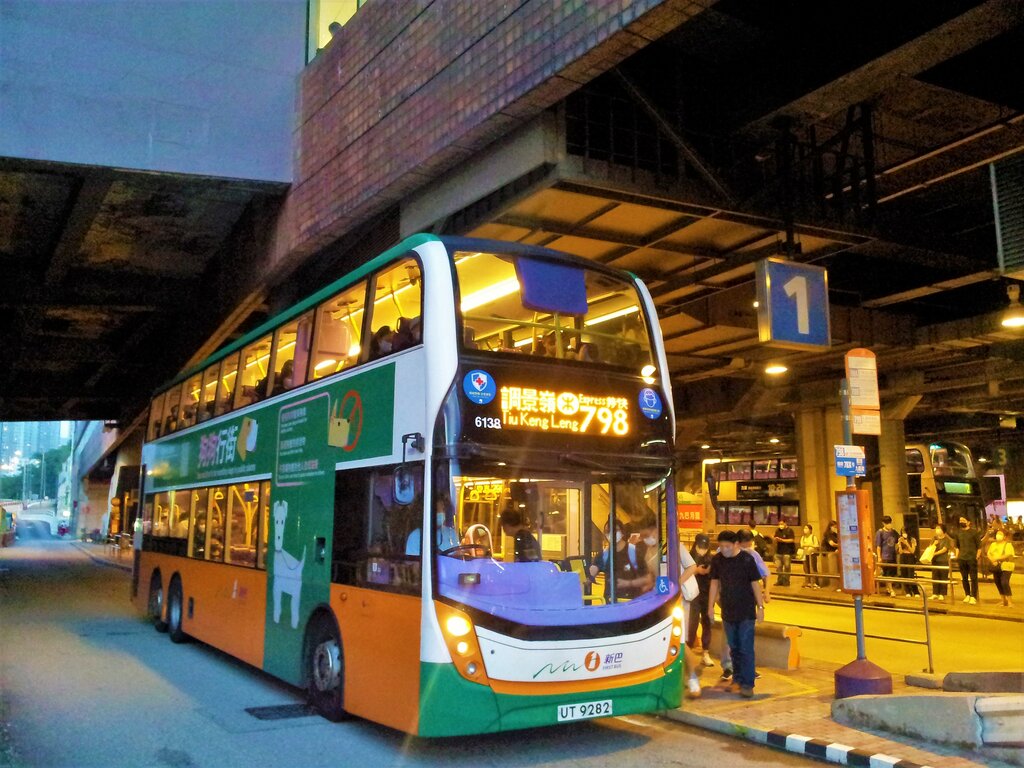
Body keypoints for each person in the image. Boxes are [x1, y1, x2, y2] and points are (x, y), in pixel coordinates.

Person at [707, 531, 765, 699]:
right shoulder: (717, 560)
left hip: (746, 611)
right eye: (721, 546)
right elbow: (714, 583)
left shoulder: (747, 560)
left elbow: (755, 584)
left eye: (727, 546)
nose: (724, 550)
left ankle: (747, 684)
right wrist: (710, 607)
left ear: (736, 544)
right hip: (728, 611)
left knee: (746, 648)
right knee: (734, 648)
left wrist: (760, 607)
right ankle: (737, 680)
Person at [589, 520, 648, 600]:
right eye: (608, 531)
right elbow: (591, 574)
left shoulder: (633, 552)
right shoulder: (603, 555)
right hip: (611, 603)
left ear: (622, 532)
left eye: (615, 530)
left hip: (632, 604)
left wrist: (628, 584)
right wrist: (588, 575)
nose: (611, 533)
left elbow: (646, 578)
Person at [687, 533, 714, 668]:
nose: (702, 550)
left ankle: (705, 653)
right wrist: (696, 570)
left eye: (705, 547)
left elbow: (716, 579)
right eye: (700, 547)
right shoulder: (688, 558)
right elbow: (683, 574)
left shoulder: (712, 559)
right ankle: (689, 651)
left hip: (707, 594)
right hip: (693, 595)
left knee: (707, 622)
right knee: (692, 623)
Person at [954, 516, 981, 605]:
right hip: (962, 558)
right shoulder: (958, 533)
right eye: (960, 520)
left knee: (973, 578)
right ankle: (967, 595)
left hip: (971, 558)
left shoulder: (974, 532)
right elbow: (957, 546)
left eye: (963, 520)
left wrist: (977, 556)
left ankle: (973, 596)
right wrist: (957, 556)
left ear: (969, 522)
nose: (961, 522)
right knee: (964, 578)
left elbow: (979, 547)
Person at [987, 529, 1015, 607]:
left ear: (1005, 536)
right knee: (997, 582)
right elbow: (989, 553)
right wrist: (992, 560)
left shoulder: (1008, 544)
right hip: (995, 566)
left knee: (1004, 582)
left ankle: (1010, 601)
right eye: (997, 534)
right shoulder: (993, 544)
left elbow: (1008, 554)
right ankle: (1003, 600)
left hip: (1006, 566)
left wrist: (997, 559)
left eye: (1000, 534)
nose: (998, 535)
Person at [874, 515, 899, 597]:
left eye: (890, 523)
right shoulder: (880, 532)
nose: (889, 525)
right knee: (887, 573)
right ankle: (891, 589)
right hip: (885, 556)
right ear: (883, 523)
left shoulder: (894, 532)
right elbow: (878, 546)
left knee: (891, 573)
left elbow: (898, 540)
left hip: (893, 555)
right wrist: (879, 557)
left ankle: (888, 588)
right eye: (887, 523)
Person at [929, 523, 953, 601]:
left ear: (943, 530)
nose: (937, 530)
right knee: (935, 577)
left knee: (943, 577)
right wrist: (934, 544)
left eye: (939, 528)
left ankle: (942, 594)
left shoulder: (946, 539)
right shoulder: (934, 538)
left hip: (943, 560)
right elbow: (930, 547)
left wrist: (935, 553)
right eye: (936, 528)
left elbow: (945, 549)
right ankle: (935, 593)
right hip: (935, 560)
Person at [896, 528, 919, 597]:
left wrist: (906, 543)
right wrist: (899, 544)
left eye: (905, 532)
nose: (904, 534)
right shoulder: (900, 539)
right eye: (902, 532)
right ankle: (908, 591)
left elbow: (912, 551)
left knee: (910, 575)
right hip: (903, 557)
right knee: (904, 575)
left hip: (910, 557)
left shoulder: (912, 539)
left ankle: (915, 592)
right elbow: (900, 552)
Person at [772, 519, 795, 587]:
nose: (780, 525)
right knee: (778, 567)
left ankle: (786, 581)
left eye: (782, 524)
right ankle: (780, 580)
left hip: (787, 552)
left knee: (787, 566)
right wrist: (774, 539)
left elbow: (792, 540)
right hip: (778, 552)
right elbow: (775, 539)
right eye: (779, 524)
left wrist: (782, 540)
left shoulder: (790, 530)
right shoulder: (777, 530)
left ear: (785, 523)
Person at [800, 524, 820, 589]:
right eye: (804, 528)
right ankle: (808, 582)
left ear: (810, 530)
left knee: (813, 568)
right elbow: (802, 545)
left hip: (812, 554)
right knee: (806, 569)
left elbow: (816, 545)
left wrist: (808, 545)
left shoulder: (813, 537)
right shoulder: (803, 537)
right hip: (805, 554)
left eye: (807, 528)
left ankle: (815, 582)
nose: (805, 530)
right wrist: (809, 545)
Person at [821, 521, 839, 589]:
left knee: (838, 570)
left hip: (837, 553)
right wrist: (839, 545)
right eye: (834, 527)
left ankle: (838, 585)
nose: (835, 528)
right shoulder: (828, 534)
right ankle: (834, 585)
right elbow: (831, 543)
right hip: (831, 553)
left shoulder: (836, 534)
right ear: (830, 527)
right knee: (833, 570)